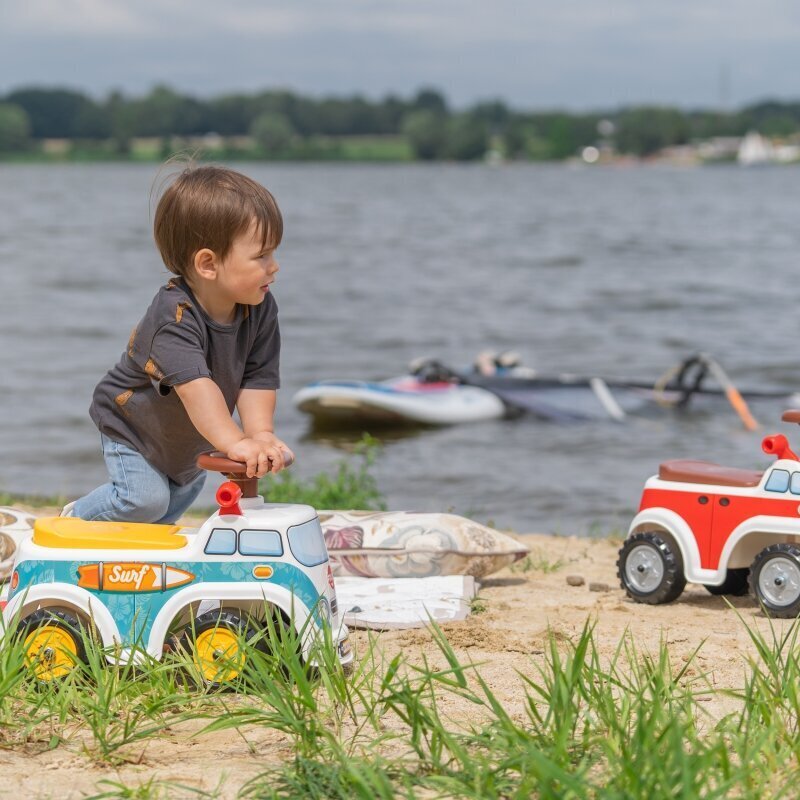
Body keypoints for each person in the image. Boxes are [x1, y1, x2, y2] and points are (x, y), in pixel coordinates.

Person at [66, 163, 294, 523]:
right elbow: (197, 390)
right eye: (261, 255)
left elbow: (258, 377)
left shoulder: (259, 308)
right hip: (134, 429)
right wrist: (235, 443)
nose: (274, 266)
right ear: (208, 263)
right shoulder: (173, 316)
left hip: (190, 439)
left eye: (274, 253)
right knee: (144, 502)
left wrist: (260, 434)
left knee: (168, 511)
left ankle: (130, 559)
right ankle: (75, 521)